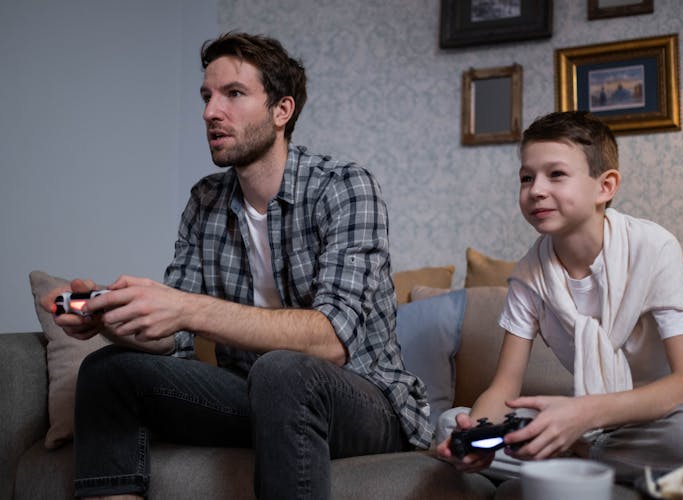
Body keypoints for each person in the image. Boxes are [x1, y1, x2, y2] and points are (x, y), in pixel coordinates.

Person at [48, 32, 432, 499]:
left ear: (281, 111)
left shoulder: (344, 187)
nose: (211, 111)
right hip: (258, 395)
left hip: (365, 402)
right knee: (108, 371)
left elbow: (331, 341)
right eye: (207, 96)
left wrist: (188, 308)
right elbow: (175, 340)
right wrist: (110, 317)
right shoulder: (205, 201)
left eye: (233, 94)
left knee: (283, 370)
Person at [437, 111, 683, 480]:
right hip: (590, 425)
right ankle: (600, 461)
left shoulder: (652, 247)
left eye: (556, 174)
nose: (536, 189)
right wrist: (475, 429)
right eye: (526, 177)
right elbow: (504, 388)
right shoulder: (529, 276)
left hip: (662, 419)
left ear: (606, 186)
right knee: (447, 427)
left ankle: (577, 455)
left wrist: (583, 416)